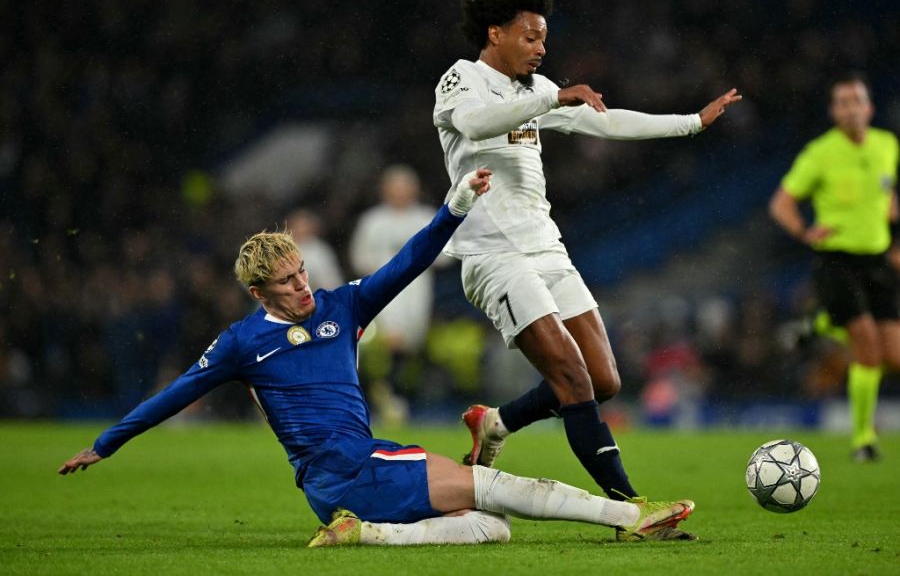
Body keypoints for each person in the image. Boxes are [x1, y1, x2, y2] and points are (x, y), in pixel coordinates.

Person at [57, 169, 696, 546]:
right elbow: (175, 394)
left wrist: (452, 211)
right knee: (496, 487)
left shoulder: (342, 307)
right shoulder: (240, 342)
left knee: (491, 527)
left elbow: (408, 262)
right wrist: (107, 444)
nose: (303, 287)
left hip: (334, 483)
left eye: (302, 273)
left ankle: (373, 532)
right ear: (259, 293)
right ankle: (629, 516)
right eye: (286, 283)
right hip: (352, 466)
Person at [432, 0, 741, 514]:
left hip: (546, 246)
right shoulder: (461, 80)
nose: (541, 48)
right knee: (572, 377)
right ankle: (629, 506)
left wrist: (691, 122)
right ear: (494, 32)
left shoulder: (539, 89)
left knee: (603, 379)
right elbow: (476, 125)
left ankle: (496, 422)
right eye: (530, 37)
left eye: (544, 39)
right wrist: (547, 101)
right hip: (494, 255)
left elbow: (604, 122)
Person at [768, 72, 900, 462]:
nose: (849, 108)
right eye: (841, 102)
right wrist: (805, 232)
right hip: (838, 260)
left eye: (855, 100)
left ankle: (820, 324)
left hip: (878, 260)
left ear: (869, 107)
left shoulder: (887, 144)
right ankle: (863, 440)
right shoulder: (819, 153)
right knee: (868, 348)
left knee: (893, 355)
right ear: (833, 111)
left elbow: (887, 194)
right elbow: (781, 203)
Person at [349, 166, 448, 421]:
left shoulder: (426, 217)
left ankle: (394, 394)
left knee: (410, 344)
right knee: (391, 339)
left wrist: (418, 262)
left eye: (405, 188)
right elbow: (358, 256)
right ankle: (387, 394)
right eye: (395, 188)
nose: (400, 193)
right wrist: (384, 269)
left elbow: (446, 253)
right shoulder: (372, 220)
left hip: (417, 288)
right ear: (385, 190)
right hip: (383, 287)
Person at [284, 208, 345, 291]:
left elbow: (332, 280)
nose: (301, 229)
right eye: (298, 225)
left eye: (304, 225)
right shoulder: (280, 247)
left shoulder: (320, 249)